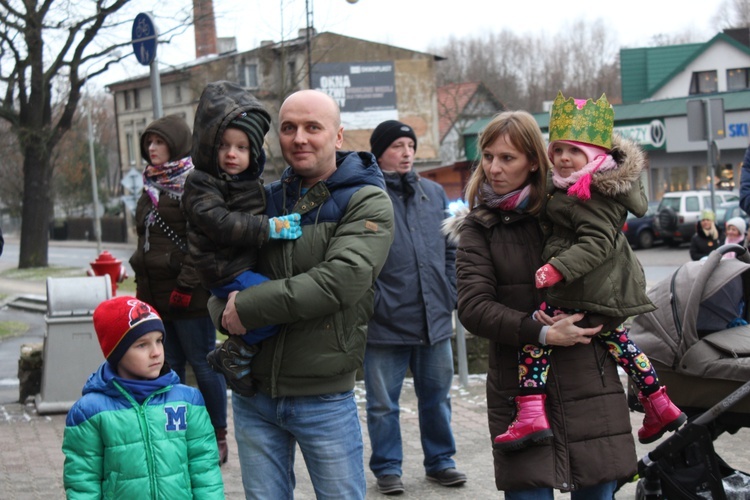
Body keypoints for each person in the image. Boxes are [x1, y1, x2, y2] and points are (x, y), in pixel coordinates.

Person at [207, 89, 395, 499]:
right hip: (254, 394)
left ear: (339, 136)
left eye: (313, 127)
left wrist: (249, 307)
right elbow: (219, 271)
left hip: (322, 394)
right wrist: (222, 308)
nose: (299, 138)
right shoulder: (261, 199)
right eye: (289, 128)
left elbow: (339, 281)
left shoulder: (366, 201)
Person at [450, 109, 638, 498]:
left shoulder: (576, 208)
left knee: (597, 489)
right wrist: (543, 332)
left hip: (589, 379)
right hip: (520, 389)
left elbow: (618, 280)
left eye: (507, 158)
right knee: (529, 491)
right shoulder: (479, 226)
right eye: (487, 157)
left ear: (534, 160)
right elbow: (473, 307)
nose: (493, 169)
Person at [493, 93, 685, 452]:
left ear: (594, 158)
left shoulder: (589, 193)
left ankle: (531, 413)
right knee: (618, 341)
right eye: (559, 150)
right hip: (605, 288)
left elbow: (596, 243)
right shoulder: (575, 185)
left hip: (585, 285)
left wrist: (555, 269)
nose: (564, 158)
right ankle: (659, 403)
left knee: (539, 333)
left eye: (574, 152)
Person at [364, 119, 466, 495]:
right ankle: (388, 468)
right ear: (379, 152)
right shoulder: (365, 194)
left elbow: (453, 247)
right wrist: (374, 302)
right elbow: (355, 259)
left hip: (434, 319)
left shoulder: (434, 193)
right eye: (397, 146)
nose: (407, 153)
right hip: (384, 323)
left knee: (437, 398)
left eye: (410, 145)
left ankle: (441, 462)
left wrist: (450, 292)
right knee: (381, 405)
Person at [182, 80, 301, 396]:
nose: (232, 154)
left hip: (239, 265)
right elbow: (221, 224)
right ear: (210, 146)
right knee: (271, 304)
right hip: (222, 268)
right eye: (224, 146)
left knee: (269, 304)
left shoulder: (248, 182)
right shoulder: (201, 183)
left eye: (242, 147)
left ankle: (239, 351)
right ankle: (233, 353)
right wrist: (269, 228)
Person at [128, 114, 230, 465]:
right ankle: (176, 433)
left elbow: (200, 242)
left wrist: (185, 285)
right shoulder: (150, 186)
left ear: (175, 143)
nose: (151, 149)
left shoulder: (192, 184)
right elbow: (144, 237)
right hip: (153, 296)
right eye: (148, 143)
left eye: (158, 142)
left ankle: (218, 434)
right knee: (165, 366)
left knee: (203, 364)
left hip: (189, 295)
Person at [62, 296, 224, 499]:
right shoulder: (90, 412)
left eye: (159, 341)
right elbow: (83, 482)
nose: (156, 352)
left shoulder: (188, 401)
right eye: (142, 345)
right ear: (117, 353)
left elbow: (205, 469)